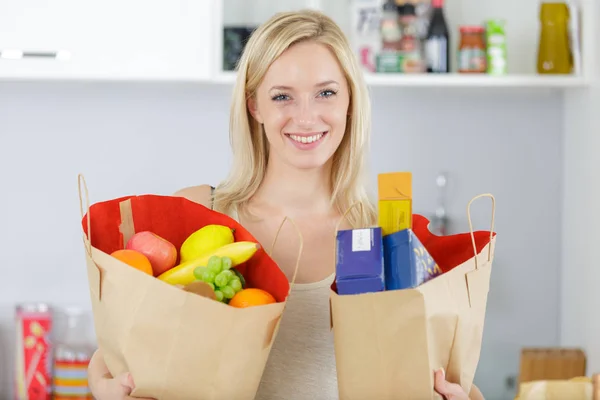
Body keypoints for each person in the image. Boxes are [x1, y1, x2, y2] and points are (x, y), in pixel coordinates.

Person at [87, 9, 485, 400]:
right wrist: (104, 388)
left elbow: (452, 376)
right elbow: (114, 353)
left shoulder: (391, 234)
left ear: (350, 99)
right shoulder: (198, 213)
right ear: (254, 105)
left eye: (326, 92)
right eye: (282, 96)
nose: (306, 117)